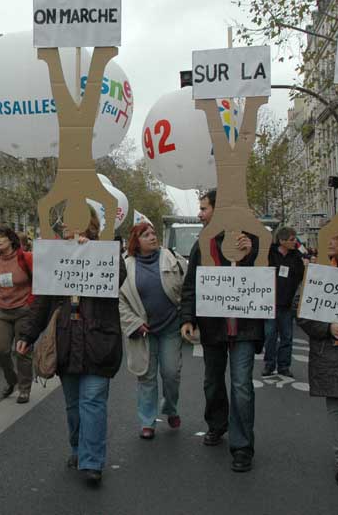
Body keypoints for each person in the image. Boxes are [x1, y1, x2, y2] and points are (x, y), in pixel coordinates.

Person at [16, 209, 126, 484]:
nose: (64, 224)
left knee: (93, 401)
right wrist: (27, 335)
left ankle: (92, 461)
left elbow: (119, 277)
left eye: (69, 219)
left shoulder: (105, 251)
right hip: (66, 340)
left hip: (99, 340)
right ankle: (78, 447)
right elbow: (42, 300)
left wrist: (95, 251)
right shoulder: (54, 255)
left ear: (87, 223)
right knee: (73, 404)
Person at [179, 189, 262, 473]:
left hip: (245, 328)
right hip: (213, 327)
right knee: (212, 381)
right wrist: (187, 317)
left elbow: (268, 276)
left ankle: (242, 446)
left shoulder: (251, 240)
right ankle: (217, 424)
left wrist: (251, 255)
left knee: (241, 386)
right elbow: (190, 284)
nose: (200, 213)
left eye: (204, 208)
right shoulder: (202, 245)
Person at [297, 231, 338, 488]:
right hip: (332, 351)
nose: (331, 244)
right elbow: (301, 313)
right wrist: (327, 328)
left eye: (337, 239)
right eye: (328, 240)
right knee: (337, 403)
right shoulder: (317, 274)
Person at [118, 221, 184, 439]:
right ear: (136, 241)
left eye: (154, 233)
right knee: (146, 376)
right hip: (143, 331)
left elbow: (188, 287)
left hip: (171, 326)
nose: (153, 237)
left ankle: (171, 408)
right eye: (146, 235)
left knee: (171, 373)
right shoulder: (125, 265)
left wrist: (187, 318)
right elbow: (118, 300)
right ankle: (147, 422)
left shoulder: (171, 257)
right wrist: (133, 323)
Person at [0, 225, 34, 403]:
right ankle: (11, 379)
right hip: (2, 311)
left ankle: (24, 388)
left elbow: (38, 282)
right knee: (0, 350)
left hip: (23, 311)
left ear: (11, 240)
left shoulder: (26, 258)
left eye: (0, 237)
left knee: (23, 352)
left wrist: (30, 303)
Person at [264, 226, 305, 377]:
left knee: (287, 337)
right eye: (292, 239)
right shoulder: (269, 254)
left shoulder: (296, 257)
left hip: (286, 304)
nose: (295, 242)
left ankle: (283, 366)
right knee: (270, 337)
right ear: (281, 241)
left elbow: (301, 275)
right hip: (270, 303)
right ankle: (269, 365)